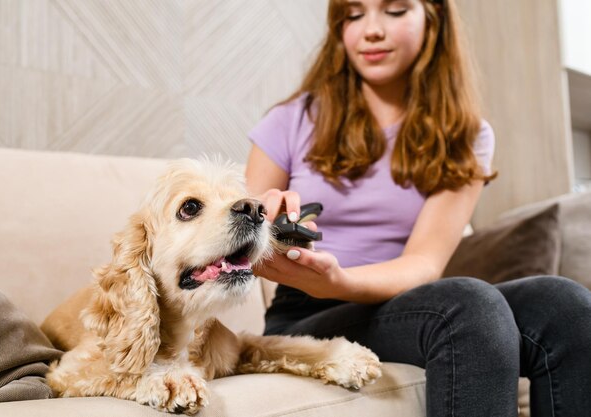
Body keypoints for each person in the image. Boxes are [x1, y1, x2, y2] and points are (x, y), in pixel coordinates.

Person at [244, 0, 591, 416]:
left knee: (565, 305)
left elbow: (425, 262)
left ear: (433, 19)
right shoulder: (291, 120)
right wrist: (259, 226)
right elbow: (238, 249)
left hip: (408, 305)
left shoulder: (466, 136)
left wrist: (340, 279)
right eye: (354, 14)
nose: (371, 30)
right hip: (306, 315)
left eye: (394, 10)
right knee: (470, 305)